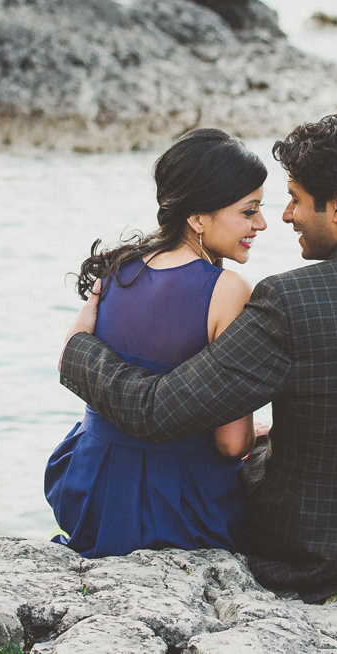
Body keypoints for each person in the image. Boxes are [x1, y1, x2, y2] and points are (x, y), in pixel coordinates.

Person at [58, 110, 337, 607]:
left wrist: (78, 353)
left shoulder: (290, 300)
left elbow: (160, 410)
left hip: (312, 550)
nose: (285, 216)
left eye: (293, 199)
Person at [45, 127, 269, 558]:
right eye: (249, 210)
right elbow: (232, 444)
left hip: (91, 487)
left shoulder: (118, 269)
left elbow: (74, 349)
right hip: (176, 506)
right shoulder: (228, 289)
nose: (260, 223)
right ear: (199, 217)